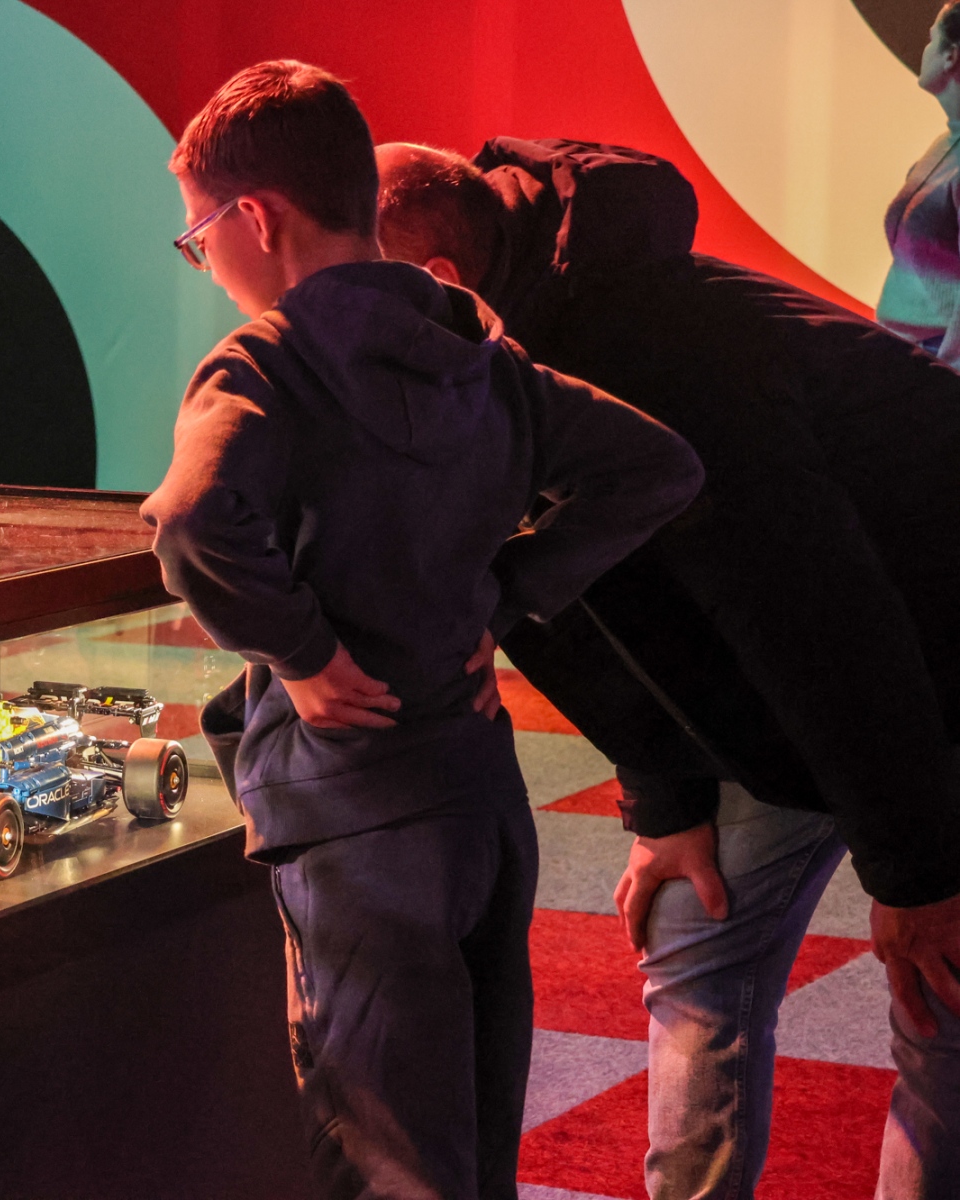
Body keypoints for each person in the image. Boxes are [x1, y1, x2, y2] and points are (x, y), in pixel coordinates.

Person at [142, 63, 703, 1199]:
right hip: (479, 796)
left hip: (352, 808)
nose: (205, 260)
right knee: (473, 1145)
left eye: (198, 236)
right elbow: (658, 467)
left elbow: (189, 518)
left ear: (257, 218)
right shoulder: (477, 352)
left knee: (384, 1155)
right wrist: (505, 594)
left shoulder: (263, 362)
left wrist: (301, 653)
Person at [375, 138, 960, 1198]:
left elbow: (818, 614)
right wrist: (665, 795)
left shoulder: (644, 341)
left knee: (939, 1004)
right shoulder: (476, 356)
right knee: (693, 952)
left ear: (435, 283)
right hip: (801, 678)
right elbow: (582, 596)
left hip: (929, 641)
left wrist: (916, 873)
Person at [878, 1, 960, 364]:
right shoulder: (944, 144)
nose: (923, 50)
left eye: (931, 39)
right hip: (906, 359)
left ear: (950, 56)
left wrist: (947, 373)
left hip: (933, 368)